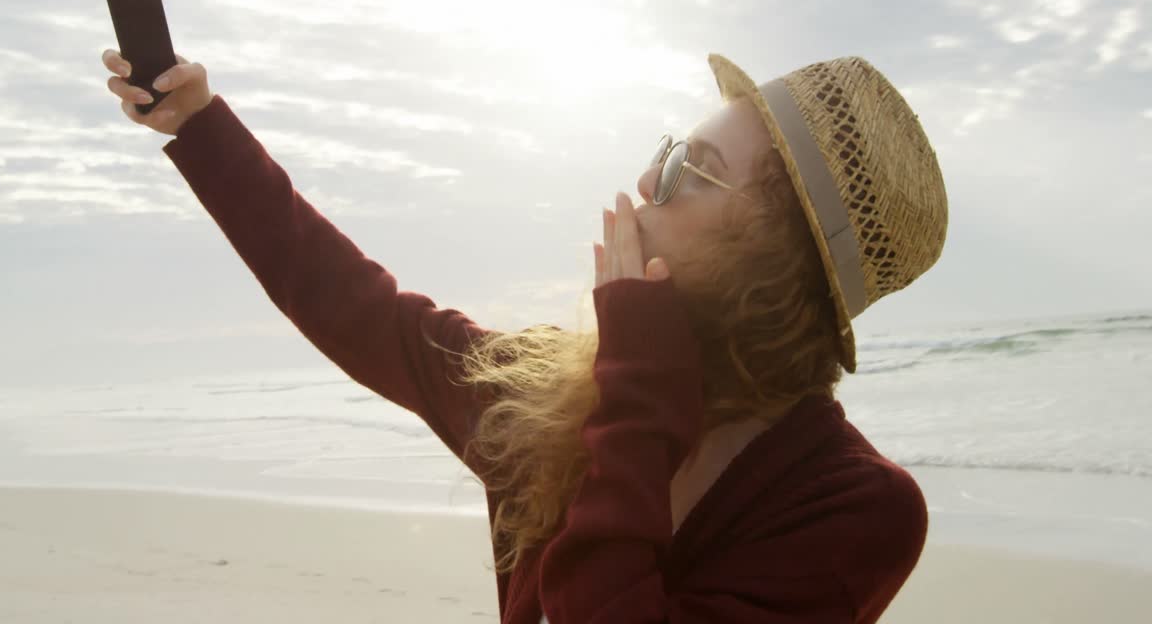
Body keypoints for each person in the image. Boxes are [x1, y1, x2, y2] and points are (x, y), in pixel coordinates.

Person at [101, 46, 948, 623]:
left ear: (776, 258)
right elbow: (356, 306)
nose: (645, 186)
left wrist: (640, 395)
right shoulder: (551, 394)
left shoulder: (856, 509)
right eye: (663, 153)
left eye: (692, 173)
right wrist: (201, 126)